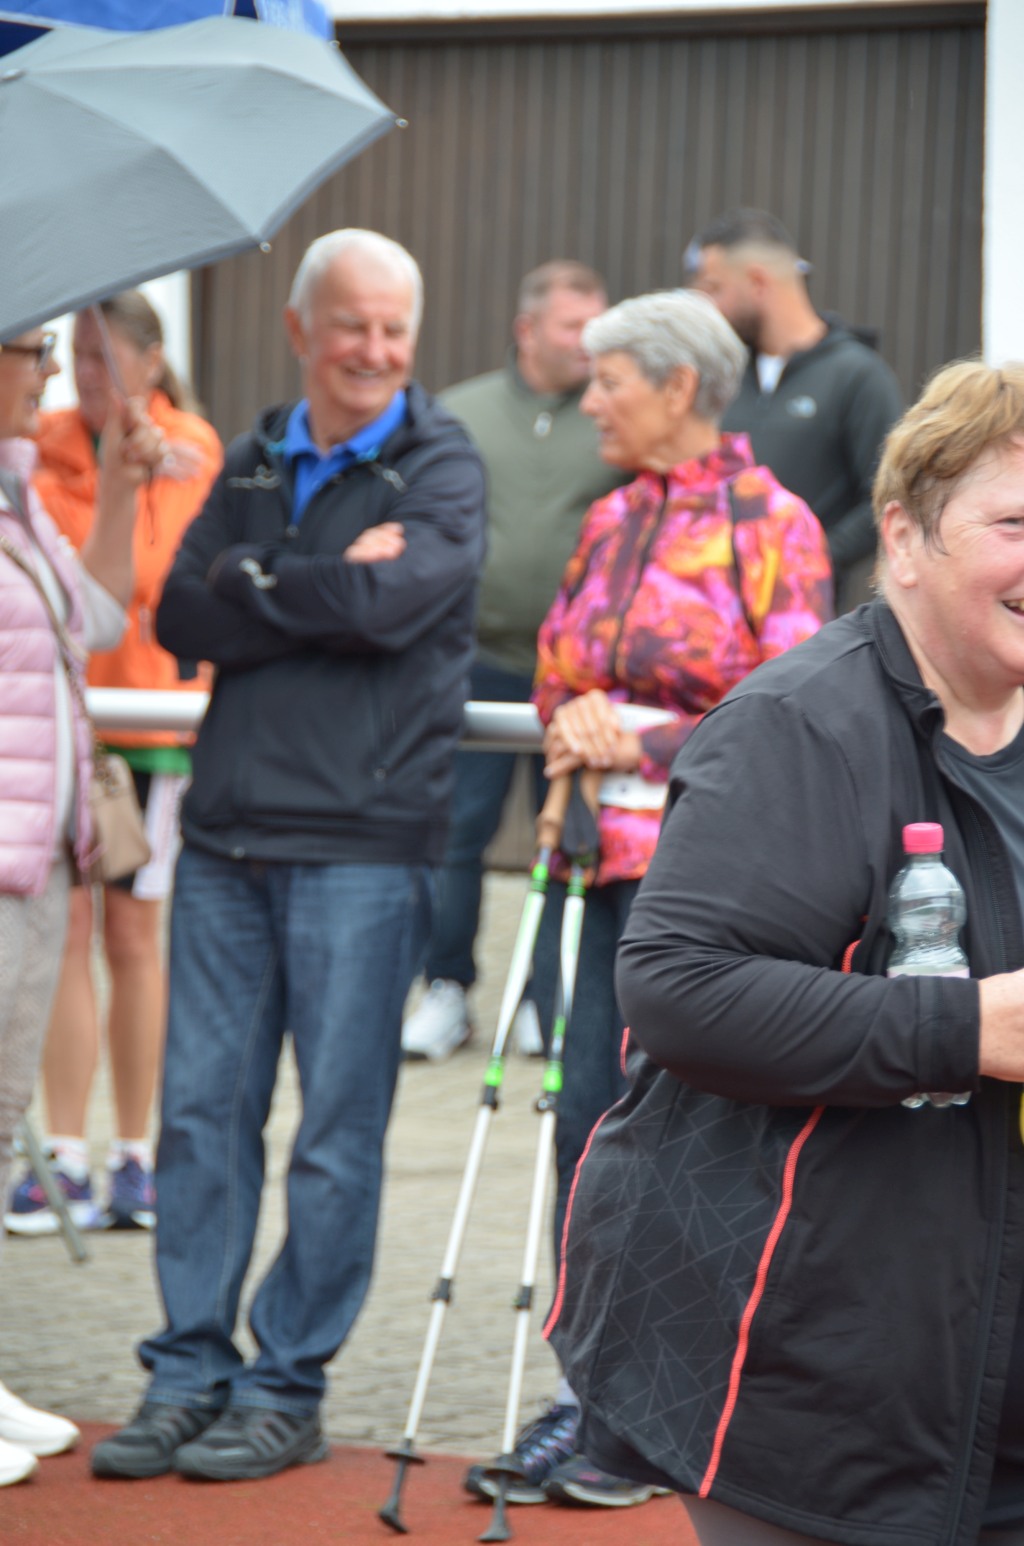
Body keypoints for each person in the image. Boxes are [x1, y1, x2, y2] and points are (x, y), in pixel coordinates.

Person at [545, 358, 1024, 1546]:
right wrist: (966, 1027)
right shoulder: (796, 726)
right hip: (801, 1383)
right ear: (902, 537)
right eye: (1015, 526)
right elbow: (677, 989)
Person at [90, 229, 486, 1485]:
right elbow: (180, 612)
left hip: (365, 844)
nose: (373, 349)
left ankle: (285, 1385)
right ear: (298, 328)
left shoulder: (443, 463)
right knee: (201, 1118)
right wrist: (305, 585)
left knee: (335, 1134)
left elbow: (389, 608)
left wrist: (254, 580)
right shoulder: (256, 453)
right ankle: (186, 1372)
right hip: (224, 838)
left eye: (393, 328)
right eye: (351, 324)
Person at [464, 288, 832, 1512]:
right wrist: (573, 712)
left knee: (682, 1140)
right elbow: (555, 667)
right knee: (586, 1129)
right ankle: (592, 1393)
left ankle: (664, 1413)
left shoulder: (772, 522)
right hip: (588, 869)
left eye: (611, 380)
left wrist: (646, 738)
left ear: (679, 386)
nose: (591, 402)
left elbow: (794, 707)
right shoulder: (609, 515)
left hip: (710, 881)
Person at [4, 292, 222, 1236]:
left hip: (142, 727)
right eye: (62, 354)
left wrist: (123, 481)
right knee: (61, 939)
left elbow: (141, 590)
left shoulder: (189, 448)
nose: (76, 375)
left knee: (130, 937)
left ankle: (134, 1153)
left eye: (98, 357)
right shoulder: (34, 451)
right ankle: (63, 1151)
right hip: (55, 738)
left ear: (150, 362)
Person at [0, 323, 164, 1484]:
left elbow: (97, 620)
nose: (52, 369)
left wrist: (118, 482)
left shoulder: (14, 483)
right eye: (30, 345)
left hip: (34, 856)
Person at [401, 260, 621, 1062]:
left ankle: (543, 997)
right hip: (476, 659)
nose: (591, 342)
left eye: (599, 325)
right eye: (574, 326)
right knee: (456, 830)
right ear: (528, 330)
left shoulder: (610, 417)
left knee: (566, 833)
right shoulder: (460, 413)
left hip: (581, 674)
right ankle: (447, 988)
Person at [686, 207, 903, 613]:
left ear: (757, 282)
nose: (706, 306)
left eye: (714, 289)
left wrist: (810, 557)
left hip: (803, 619)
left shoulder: (857, 375)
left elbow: (889, 494)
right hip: (713, 615)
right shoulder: (723, 377)